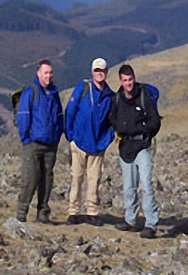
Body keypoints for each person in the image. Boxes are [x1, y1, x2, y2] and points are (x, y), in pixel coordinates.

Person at [110, 64, 161, 239]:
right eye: (125, 80)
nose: (128, 83)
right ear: (121, 81)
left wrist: (144, 132)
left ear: (134, 78)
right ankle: (130, 219)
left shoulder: (143, 97)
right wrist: (121, 129)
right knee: (129, 187)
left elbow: (155, 121)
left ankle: (151, 223)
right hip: (125, 148)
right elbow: (113, 119)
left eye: (130, 79)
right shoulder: (117, 99)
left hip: (142, 147)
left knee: (146, 185)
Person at [65, 58, 115, 226]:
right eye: (96, 70)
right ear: (92, 72)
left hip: (98, 145)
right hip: (79, 142)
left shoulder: (110, 96)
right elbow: (70, 112)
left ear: (106, 72)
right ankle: (74, 212)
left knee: (94, 179)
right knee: (76, 177)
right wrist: (70, 136)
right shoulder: (83, 89)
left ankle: (92, 212)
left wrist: (107, 139)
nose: (99, 73)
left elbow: (113, 121)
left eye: (102, 70)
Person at [16, 59, 64, 224]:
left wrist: (57, 136)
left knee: (47, 180)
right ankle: (22, 211)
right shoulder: (31, 93)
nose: (49, 76)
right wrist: (26, 139)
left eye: (50, 72)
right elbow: (23, 117)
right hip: (34, 144)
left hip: (51, 144)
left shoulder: (54, 94)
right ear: (38, 74)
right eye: (46, 72)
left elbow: (59, 117)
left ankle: (43, 213)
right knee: (30, 178)